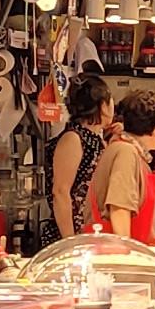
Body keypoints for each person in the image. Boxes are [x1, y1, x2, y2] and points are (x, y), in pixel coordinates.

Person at [92, 87, 155, 238]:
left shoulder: (133, 152)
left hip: (130, 244)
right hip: (109, 247)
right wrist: (124, 248)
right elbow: (119, 208)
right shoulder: (126, 152)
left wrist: (153, 238)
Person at [48, 68, 113, 239]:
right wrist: (70, 240)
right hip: (71, 234)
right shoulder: (73, 139)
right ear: (103, 105)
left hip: (92, 231)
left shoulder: (96, 138)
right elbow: (60, 192)